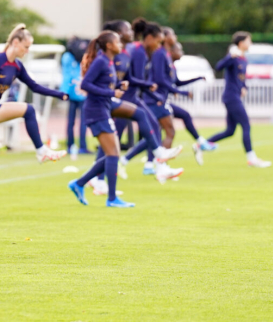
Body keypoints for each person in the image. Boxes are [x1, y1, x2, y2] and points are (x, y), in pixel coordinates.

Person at [0, 24, 69, 204]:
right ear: (15, 42)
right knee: (29, 109)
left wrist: (59, 94)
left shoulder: (16, 66)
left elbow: (34, 86)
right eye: (26, 46)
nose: (27, 50)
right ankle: (41, 151)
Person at [67, 31, 134, 207]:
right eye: (118, 41)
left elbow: (103, 85)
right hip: (96, 111)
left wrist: (119, 86)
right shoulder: (101, 61)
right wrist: (112, 92)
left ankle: (79, 183)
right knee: (113, 154)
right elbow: (86, 84)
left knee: (113, 154)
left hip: (102, 110)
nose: (121, 44)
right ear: (109, 45)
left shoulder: (109, 62)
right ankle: (111, 199)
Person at [114, 21, 184, 182]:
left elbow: (135, 79)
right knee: (113, 138)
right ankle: (99, 175)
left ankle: (159, 164)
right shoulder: (138, 52)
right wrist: (154, 93)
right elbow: (135, 80)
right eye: (158, 42)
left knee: (151, 125)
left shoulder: (142, 52)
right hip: (127, 97)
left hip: (133, 97)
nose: (159, 46)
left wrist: (154, 93)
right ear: (150, 38)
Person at [206, 32, 271, 168]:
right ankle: (251, 158)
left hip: (235, 96)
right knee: (246, 125)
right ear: (241, 43)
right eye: (248, 41)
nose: (250, 44)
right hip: (231, 97)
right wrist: (229, 56)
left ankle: (202, 144)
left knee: (230, 131)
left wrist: (244, 87)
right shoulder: (234, 57)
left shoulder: (243, 59)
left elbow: (240, 77)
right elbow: (218, 67)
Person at [168, 42, 217, 165]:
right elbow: (164, 85)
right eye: (180, 50)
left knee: (183, 116)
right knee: (160, 133)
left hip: (163, 102)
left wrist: (198, 78)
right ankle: (154, 163)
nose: (182, 53)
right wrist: (183, 94)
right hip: (157, 103)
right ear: (172, 52)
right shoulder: (166, 65)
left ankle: (201, 141)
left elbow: (177, 83)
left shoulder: (173, 67)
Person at [61, 37, 90, 156]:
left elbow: (66, 75)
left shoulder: (67, 56)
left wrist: (64, 91)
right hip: (83, 92)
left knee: (70, 121)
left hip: (71, 92)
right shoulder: (84, 55)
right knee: (83, 121)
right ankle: (83, 146)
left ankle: (70, 145)